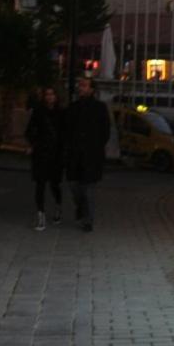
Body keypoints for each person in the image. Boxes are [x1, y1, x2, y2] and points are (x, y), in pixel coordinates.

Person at [65, 77, 110, 232]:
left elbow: (105, 132)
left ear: (92, 89)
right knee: (74, 186)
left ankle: (88, 220)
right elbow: (67, 130)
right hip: (74, 156)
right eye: (80, 85)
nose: (80, 88)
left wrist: (96, 147)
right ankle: (81, 207)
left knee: (88, 189)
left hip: (91, 156)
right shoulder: (73, 107)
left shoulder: (100, 108)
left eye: (84, 85)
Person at [24, 87, 65, 231]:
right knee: (40, 185)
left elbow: (65, 133)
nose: (49, 97)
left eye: (52, 94)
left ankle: (58, 206)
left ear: (56, 97)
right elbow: (29, 131)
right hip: (41, 153)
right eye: (47, 95)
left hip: (55, 154)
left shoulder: (61, 113)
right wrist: (33, 144)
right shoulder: (38, 112)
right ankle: (40, 215)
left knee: (54, 184)